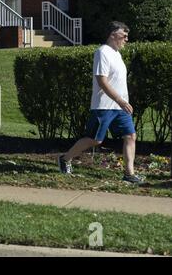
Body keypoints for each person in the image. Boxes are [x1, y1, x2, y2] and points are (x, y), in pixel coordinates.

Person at [58, 21, 143, 184]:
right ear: (112, 35)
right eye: (123, 35)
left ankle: (129, 174)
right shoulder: (102, 52)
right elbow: (102, 81)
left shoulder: (117, 54)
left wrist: (122, 102)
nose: (126, 39)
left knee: (131, 136)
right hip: (103, 106)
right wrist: (119, 99)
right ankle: (65, 158)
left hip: (120, 107)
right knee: (95, 140)